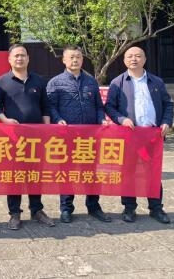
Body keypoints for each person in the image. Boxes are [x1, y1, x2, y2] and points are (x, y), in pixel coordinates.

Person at [105, 46, 173, 224]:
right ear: (124, 60)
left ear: (144, 59)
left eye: (138, 56)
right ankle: (129, 208)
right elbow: (109, 107)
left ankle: (156, 208)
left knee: (153, 173)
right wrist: (121, 119)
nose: (133, 59)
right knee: (128, 172)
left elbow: (168, 104)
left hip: (152, 137)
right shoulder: (118, 82)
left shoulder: (156, 81)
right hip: (130, 137)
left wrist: (166, 122)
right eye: (129, 56)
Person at [0, 43, 55, 229]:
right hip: (13, 137)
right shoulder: (1, 81)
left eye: (23, 55)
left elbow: (45, 106)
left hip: (36, 137)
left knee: (35, 173)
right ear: (9, 59)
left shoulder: (39, 81)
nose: (19, 58)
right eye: (16, 56)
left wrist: (46, 128)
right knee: (14, 175)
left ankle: (37, 209)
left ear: (28, 58)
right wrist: (5, 120)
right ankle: (14, 213)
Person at [46, 45, 111, 223]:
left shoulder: (91, 82)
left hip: (90, 136)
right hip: (66, 136)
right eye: (71, 57)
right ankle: (66, 208)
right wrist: (58, 119)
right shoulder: (55, 82)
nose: (75, 60)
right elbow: (50, 107)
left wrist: (101, 119)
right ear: (64, 60)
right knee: (66, 172)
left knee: (91, 172)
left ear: (82, 59)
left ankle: (93, 206)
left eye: (78, 57)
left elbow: (99, 107)